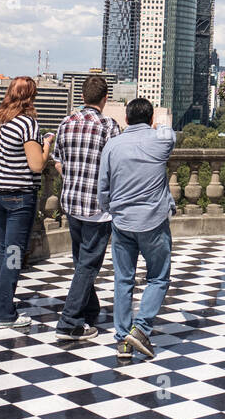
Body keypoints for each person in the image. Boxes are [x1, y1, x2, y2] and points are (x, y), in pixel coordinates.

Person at [96, 97, 176, 360]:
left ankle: (123, 341)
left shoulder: (112, 145)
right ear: (151, 119)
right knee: (158, 277)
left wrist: (112, 210)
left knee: (123, 279)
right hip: (153, 221)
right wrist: (159, 123)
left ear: (126, 119)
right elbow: (168, 132)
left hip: (122, 221)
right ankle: (140, 328)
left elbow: (103, 188)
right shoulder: (160, 141)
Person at [51, 74, 121, 342]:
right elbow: (117, 165)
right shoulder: (109, 126)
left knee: (81, 261)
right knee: (88, 265)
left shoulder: (66, 122)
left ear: (82, 97)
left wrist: (71, 175)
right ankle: (69, 321)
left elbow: (57, 160)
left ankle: (90, 309)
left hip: (71, 201)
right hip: (97, 206)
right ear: (105, 99)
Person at [0, 76, 54, 329]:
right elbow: (36, 165)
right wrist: (46, 144)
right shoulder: (27, 123)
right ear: (30, 96)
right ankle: (5, 312)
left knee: (3, 250)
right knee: (14, 253)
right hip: (19, 195)